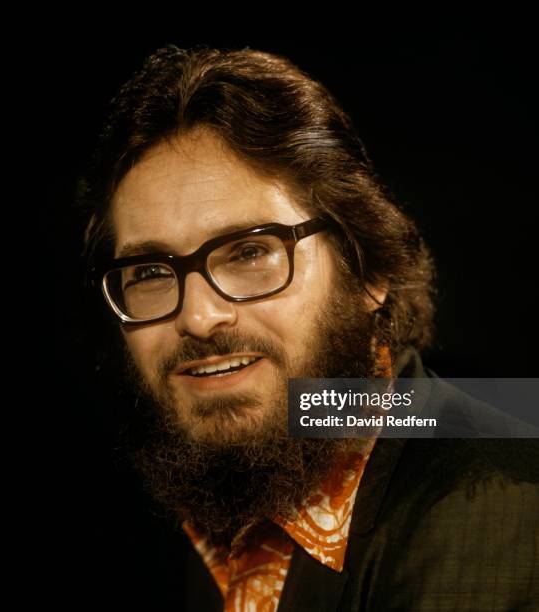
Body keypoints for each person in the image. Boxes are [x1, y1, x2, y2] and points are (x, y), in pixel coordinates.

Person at [78, 45, 538, 611]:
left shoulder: (495, 504)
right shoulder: (206, 491)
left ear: (369, 269)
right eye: (149, 271)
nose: (197, 317)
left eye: (249, 252)